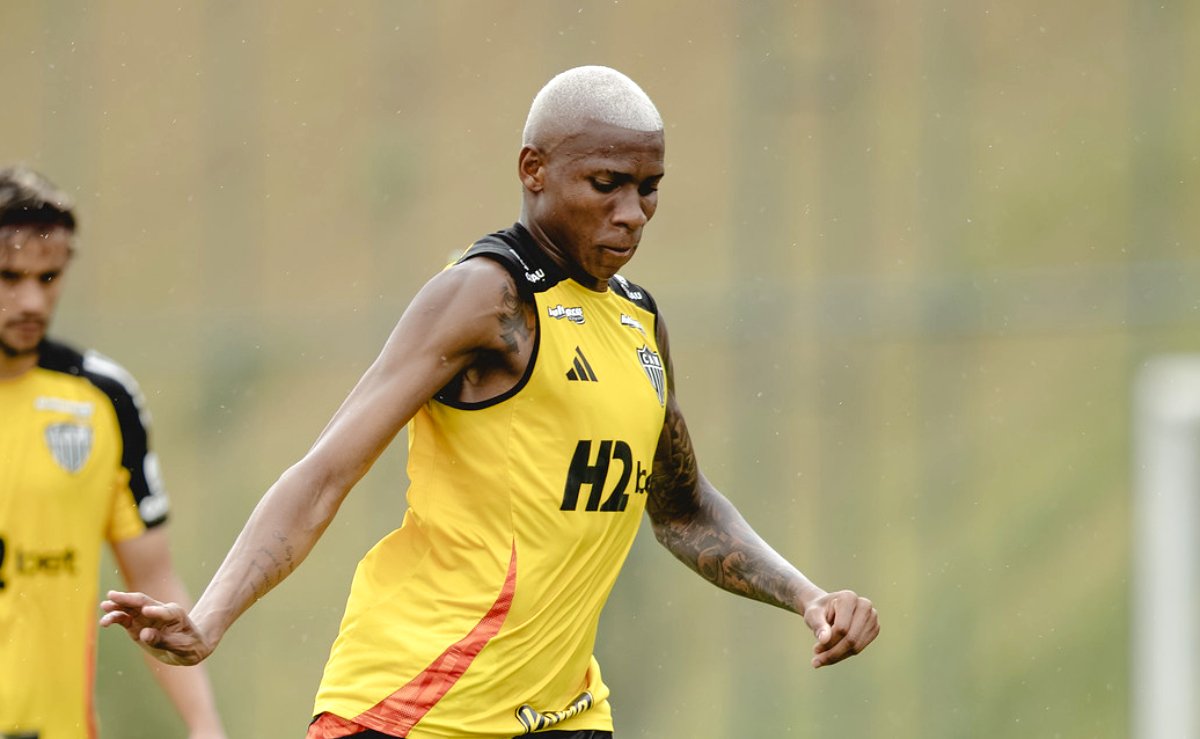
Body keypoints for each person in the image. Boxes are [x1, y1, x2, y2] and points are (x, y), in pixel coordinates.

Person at [100, 66, 880, 738]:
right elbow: (325, 471)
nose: (633, 211)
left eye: (649, 189)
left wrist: (810, 597)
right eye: (606, 184)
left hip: (564, 712)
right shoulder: (487, 297)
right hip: (418, 701)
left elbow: (681, 507)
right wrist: (211, 616)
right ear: (533, 168)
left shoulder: (639, 319)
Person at [0, 166, 227, 739]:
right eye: (8, 276)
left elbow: (151, 582)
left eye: (48, 277)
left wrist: (205, 725)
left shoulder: (104, 398)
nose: (31, 300)